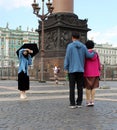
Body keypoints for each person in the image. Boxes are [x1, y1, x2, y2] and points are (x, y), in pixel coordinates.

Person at [64, 32, 95, 109]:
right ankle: (79, 103)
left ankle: (72, 103)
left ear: (72, 37)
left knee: (72, 87)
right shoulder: (83, 46)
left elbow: (67, 57)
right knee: (80, 87)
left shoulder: (70, 46)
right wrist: (93, 52)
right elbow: (89, 56)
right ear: (79, 38)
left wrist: (66, 67)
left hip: (72, 70)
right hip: (81, 70)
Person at [84, 40, 101, 106]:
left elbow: (84, 63)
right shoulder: (96, 54)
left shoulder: (85, 54)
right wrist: (99, 70)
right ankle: (92, 101)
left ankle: (88, 101)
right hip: (95, 73)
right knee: (93, 88)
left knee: (88, 88)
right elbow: (98, 63)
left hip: (87, 72)